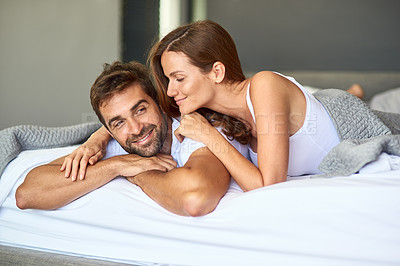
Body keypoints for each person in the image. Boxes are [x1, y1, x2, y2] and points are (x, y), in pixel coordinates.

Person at [15, 61, 247, 216]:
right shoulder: (118, 149)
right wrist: (116, 166)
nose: (135, 129)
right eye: (118, 122)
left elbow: (196, 198)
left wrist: (140, 175)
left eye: (140, 110)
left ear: (159, 102)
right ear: (108, 129)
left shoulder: (192, 130)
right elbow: (27, 194)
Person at [148, 20, 348, 191]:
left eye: (179, 79)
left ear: (217, 72)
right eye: (169, 80)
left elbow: (268, 186)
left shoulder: (265, 86)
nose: (170, 91)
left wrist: (208, 135)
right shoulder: (229, 119)